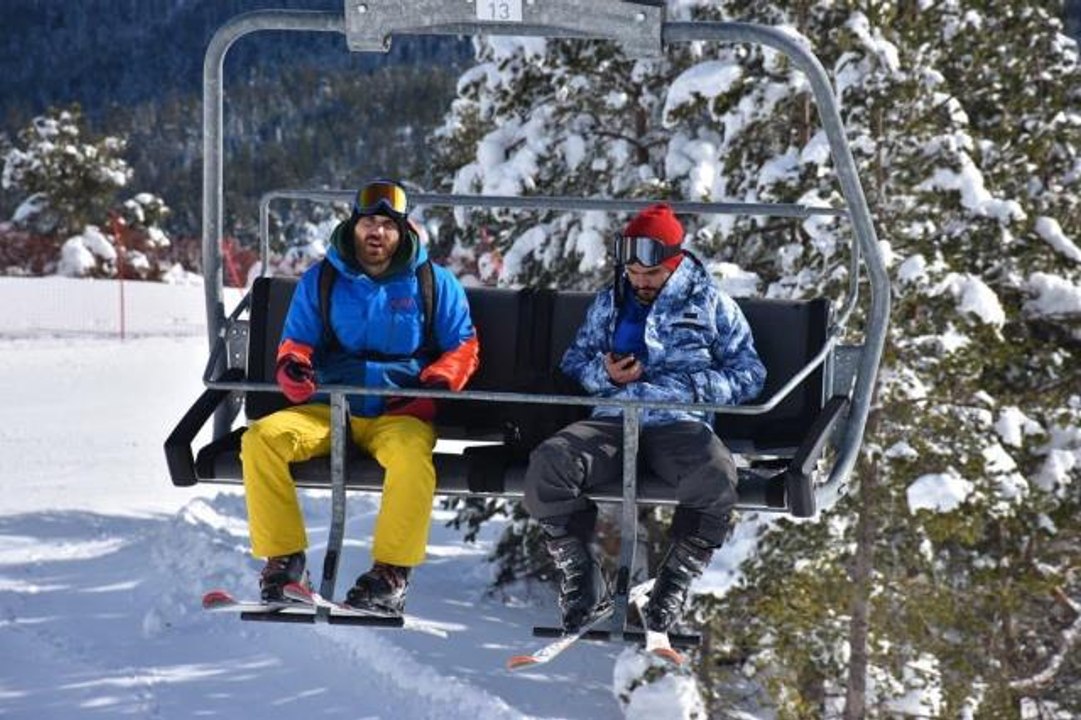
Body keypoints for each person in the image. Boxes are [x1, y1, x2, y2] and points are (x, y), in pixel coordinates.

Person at [523, 203, 766, 633]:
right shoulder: (610, 302)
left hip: (678, 423)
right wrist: (605, 373)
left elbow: (749, 375)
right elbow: (574, 361)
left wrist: (689, 388)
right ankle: (583, 580)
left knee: (714, 476)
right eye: (633, 274)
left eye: (650, 276)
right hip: (613, 419)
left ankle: (673, 582)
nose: (640, 283)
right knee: (550, 463)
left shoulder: (711, 305)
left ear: (674, 262)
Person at [241, 179, 480, 615]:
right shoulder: (324, 279)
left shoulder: (431, 282)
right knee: (261, 440)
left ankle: (390, 574)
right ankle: (285, 561)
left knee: (411, 458)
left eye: (389, 225)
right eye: (370, 222)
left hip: (397, 409)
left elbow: (462, 345)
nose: (378, 233)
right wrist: (293, 367)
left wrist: (438, 383)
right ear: (353, 225)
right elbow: (297, 341)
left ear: (403, 231)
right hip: (329, 406)